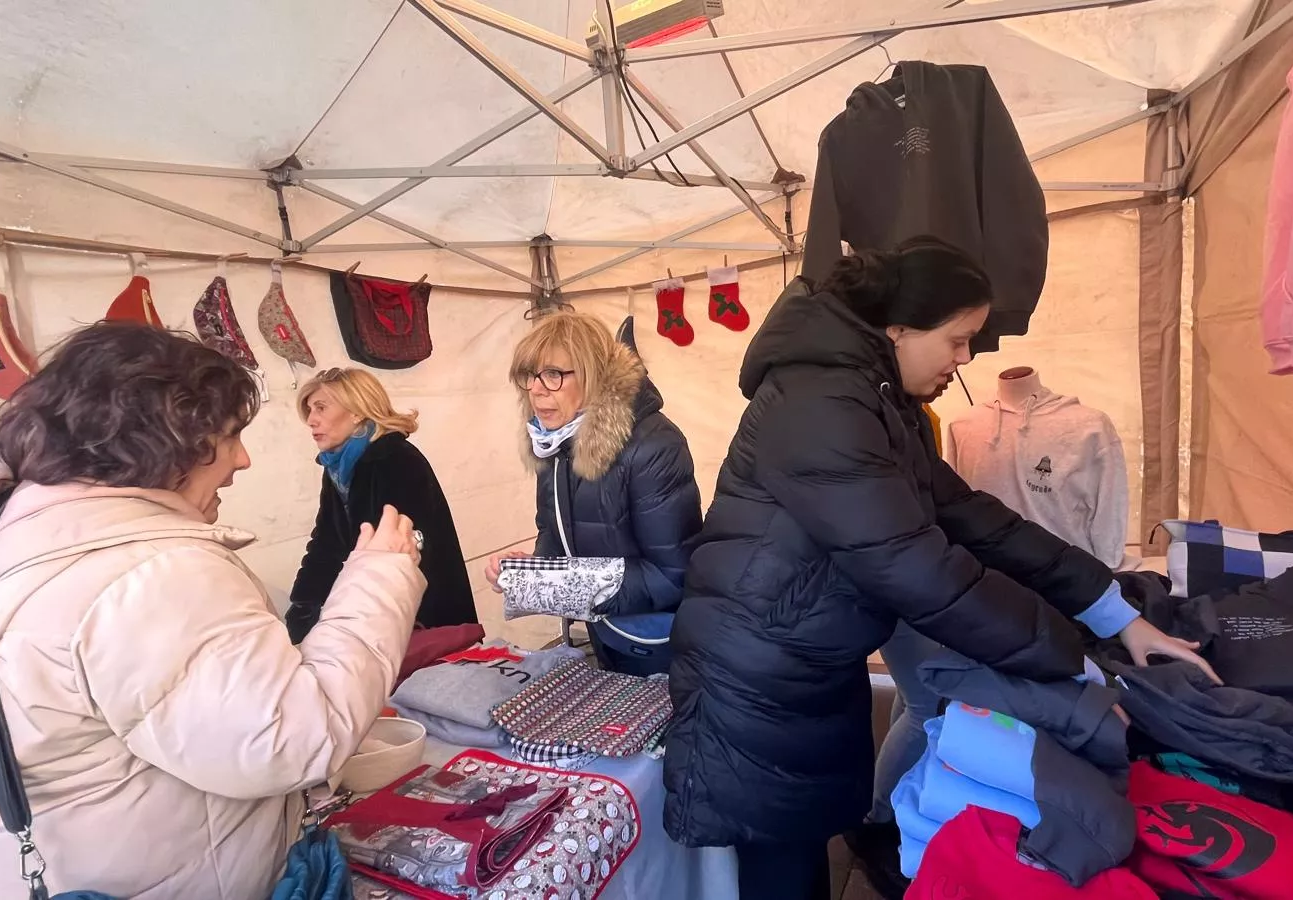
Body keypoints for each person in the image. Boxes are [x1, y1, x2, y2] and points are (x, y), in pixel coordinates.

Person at [661, 238, 1214, 900]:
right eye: (958, 339)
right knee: (783, 867)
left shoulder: (874, 400)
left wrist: (1113, 613)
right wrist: (1075, 665)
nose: (965, 359)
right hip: (753, 679)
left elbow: (974, 519)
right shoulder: (820, 404)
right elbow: (917, 568)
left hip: (799, 662)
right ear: (897, 326)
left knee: (805, 846)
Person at [0, 323, 425, 899]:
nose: (242, 459)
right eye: (230, 435)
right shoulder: (147, 573)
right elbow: (290, 741)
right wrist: (381, 576)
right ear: (173, 442)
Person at [484, 310, 701, 675]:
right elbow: (554, 535)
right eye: (529, 375)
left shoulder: (653, 446)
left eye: (553, 374)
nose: (536, 389)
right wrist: (531, 571)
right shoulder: (553, 443)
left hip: (661, 645)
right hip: (606, 631)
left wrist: (569, 586)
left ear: (593, 375)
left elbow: (673, 575)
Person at [288, 367, 476, 642]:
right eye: (310, 410)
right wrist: (303, 604)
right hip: (380, 611)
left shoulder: (395, 459)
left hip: (422, 614)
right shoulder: (338, 467)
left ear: (356, 411)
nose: (312, 420)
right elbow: (326, 542)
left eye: (321, 408)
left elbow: (406, 551)